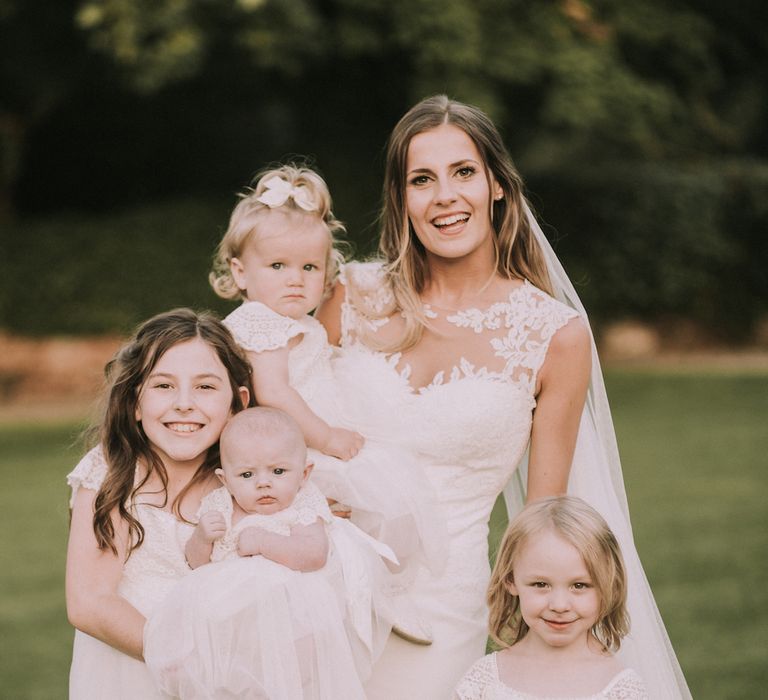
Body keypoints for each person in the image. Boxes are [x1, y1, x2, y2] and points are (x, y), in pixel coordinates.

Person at [315, 95, 691, 699]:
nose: (444, 197)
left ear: (495, 184)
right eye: (421, 179)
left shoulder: (554, 334)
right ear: (400, 198)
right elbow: (274, 418)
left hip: (439, 612)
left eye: (463, 172)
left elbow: (545, 515)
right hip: (312, 585)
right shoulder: (348, 296)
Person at [209, 163, 444, 643]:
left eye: (309, 268)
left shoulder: (300, 322)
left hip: (310, 438)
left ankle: (383, 590)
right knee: (353, 512)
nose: (295, 280)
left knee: (372, 513)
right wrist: (327, 438)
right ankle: (373, 596)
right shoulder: (258, 322)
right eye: (277, 267)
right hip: (294, 447)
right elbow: (273, 392)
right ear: (240, 272)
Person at [143, 407, 397, 699]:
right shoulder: (220, 505)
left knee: (296, 656)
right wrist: (202, 537)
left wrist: (265, 542)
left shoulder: (302, 504)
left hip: (289, 613)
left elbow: (314, 554)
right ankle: (196, 668)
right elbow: (196, 564)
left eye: (278, 471)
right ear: (225, 480)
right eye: (247, 474)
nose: (263, 483)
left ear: (304, 474)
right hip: (230, 610)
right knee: (199, 628)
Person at [65, 308, 253, 699]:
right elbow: (89, 602)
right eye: (164, 386)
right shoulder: (112, 473)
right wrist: (189, 670)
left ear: (237, 403)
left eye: (205, 387)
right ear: (135, 402)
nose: (184, 403)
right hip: (132, 679)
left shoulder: (248, 486)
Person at [454, 496, 648, 699]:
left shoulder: (620, 688)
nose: (559, 605)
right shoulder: (485, 679)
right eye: (541, 584)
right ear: (510, 580)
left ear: (609, 584)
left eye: (579, 585)